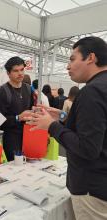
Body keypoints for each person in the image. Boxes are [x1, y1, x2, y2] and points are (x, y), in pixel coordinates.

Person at [28, 37, 107, 219]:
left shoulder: (92, 91)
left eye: (72, 59)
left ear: (90, 58)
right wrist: (64, 118)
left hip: (91, 187)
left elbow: (88, 148)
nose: (68, 66)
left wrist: (52, 126)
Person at [0, 56, 33, 161]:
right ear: (8, 73)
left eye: (22, 69)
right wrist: (18, 118)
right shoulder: (3, 92)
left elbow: (30, 109)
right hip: (10, 139)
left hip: (28, 136)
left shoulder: (28, 89)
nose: (20, 73)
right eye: (16, 71)